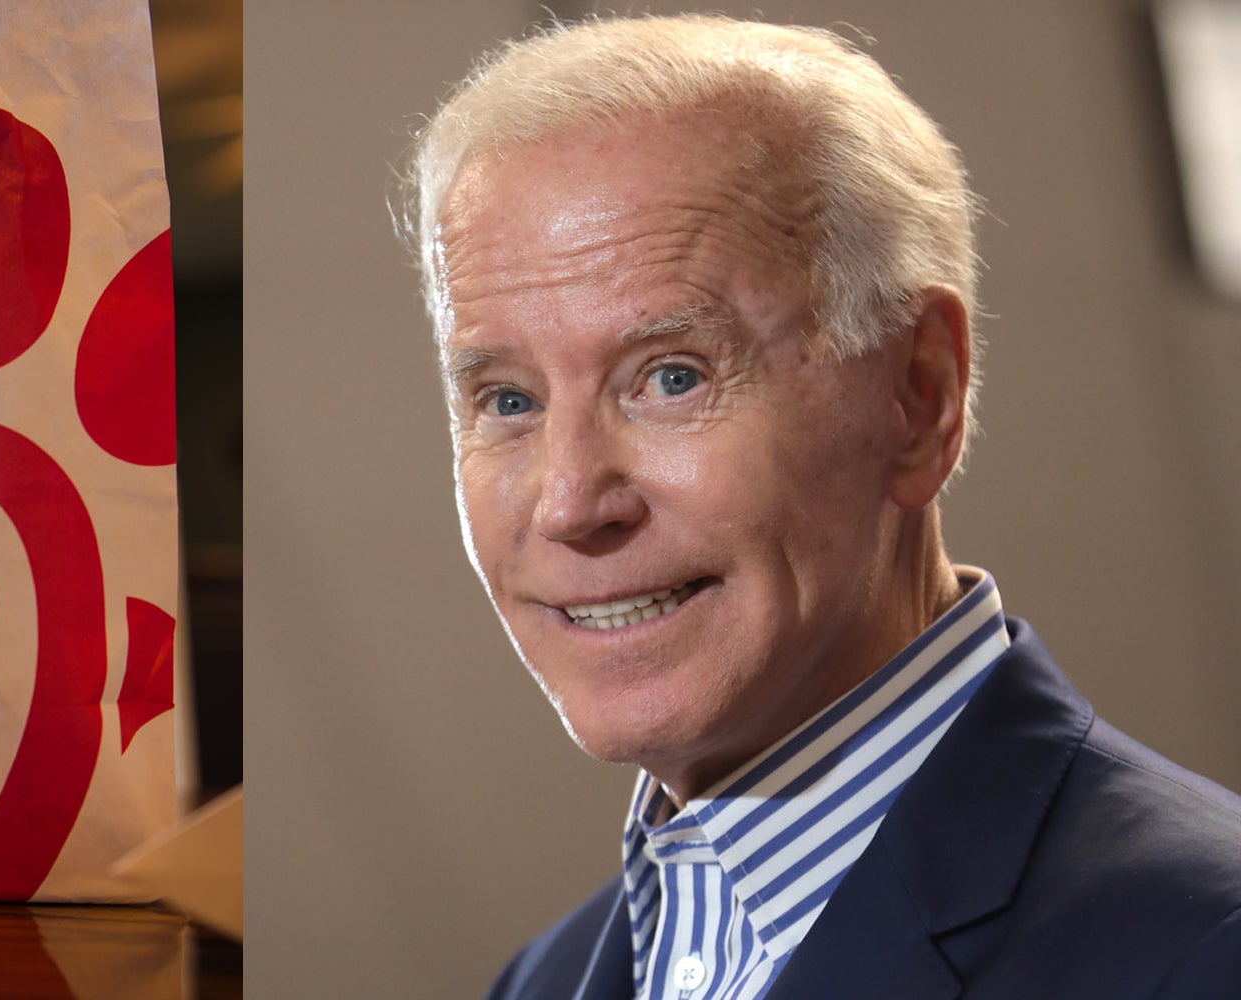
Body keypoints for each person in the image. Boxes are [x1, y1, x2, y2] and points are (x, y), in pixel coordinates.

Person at [402, 14, 1241, 999]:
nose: (568, 500)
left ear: (916, 397)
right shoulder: (541, 980)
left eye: (668, 377)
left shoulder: (1201, 949)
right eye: (507, 400)